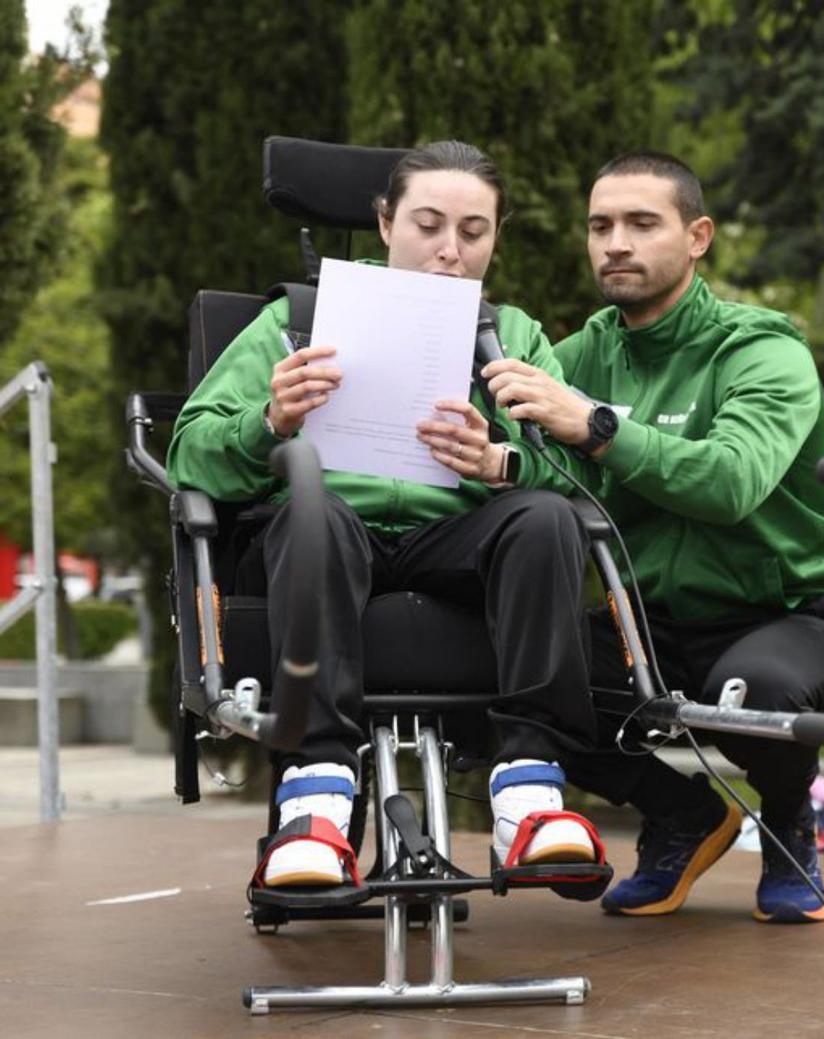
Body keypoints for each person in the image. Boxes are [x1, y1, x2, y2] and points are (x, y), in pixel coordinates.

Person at [167, 141, 603, 890]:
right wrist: (270, 419)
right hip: (325, 532)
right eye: (428, 225)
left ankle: (529, 792)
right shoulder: (292, 321)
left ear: (496, 238)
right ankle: (318, 795)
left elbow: (579, 479)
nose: (449, 251)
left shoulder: (512, 334)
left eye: (474, 233)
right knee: (316, 512)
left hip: (458, 541)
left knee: (545, 518)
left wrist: (502, 460)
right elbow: (186, 453)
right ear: (384, 222)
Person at [473, 151, 824, 923]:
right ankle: (682, 812)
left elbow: (730, 482)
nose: (615, 242)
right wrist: (499, 461)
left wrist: (594, 424)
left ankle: (787, 816)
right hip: (646, 621)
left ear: (698, 237)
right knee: (498, 673)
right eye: (600, 225)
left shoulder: (762, 350)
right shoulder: (583, 352)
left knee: (757, 693)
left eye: (641, 223)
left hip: (788, 615)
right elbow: (552, 479)